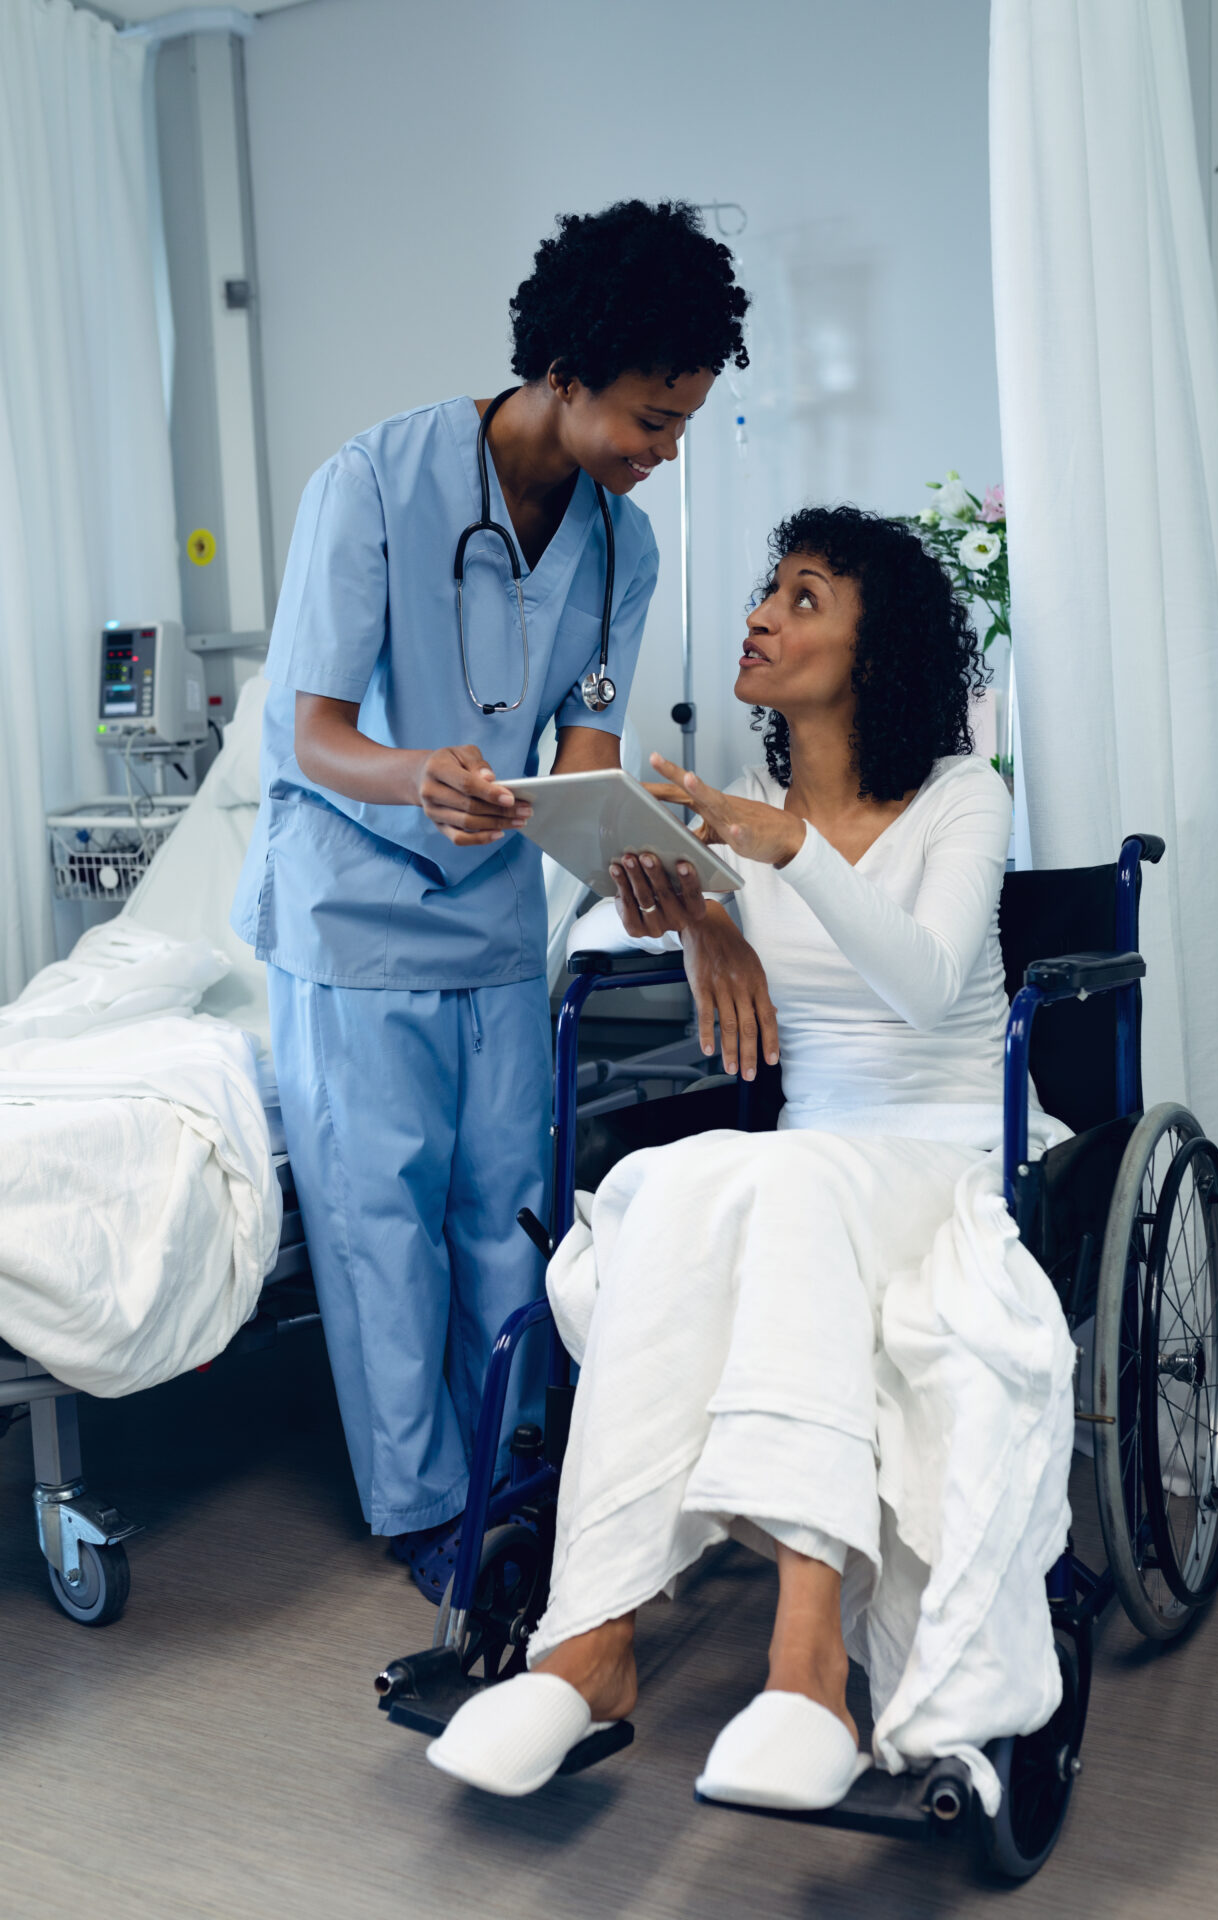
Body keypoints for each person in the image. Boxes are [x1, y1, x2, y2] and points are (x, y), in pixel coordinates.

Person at [425, 506, 1075, 1810]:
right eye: (764, 590)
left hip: (948, 1156)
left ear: (875, 650)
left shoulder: (963, 798)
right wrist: (679, 913)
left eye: (806, 596)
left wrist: (783, 852)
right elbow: (603, 943)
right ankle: (589, 1641)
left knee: (783, 1175)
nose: (760, 614)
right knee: (666, 1181)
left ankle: (807, 1665)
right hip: (815, 1166)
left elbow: (928, 986)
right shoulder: (740, 819)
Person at [231, 202, 749, 1597]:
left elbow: (581, 756)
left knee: (509, 1204)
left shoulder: (622, 553)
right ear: (569, 374)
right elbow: (310, 733)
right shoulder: (370, 484)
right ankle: (422, 1516)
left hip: (486, 918)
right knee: (381, 1218)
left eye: (686, 422)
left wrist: (625, 856)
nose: (665, 451)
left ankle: (512, 1487)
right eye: (651, 418)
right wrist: (421, 778)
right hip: (350, 904)